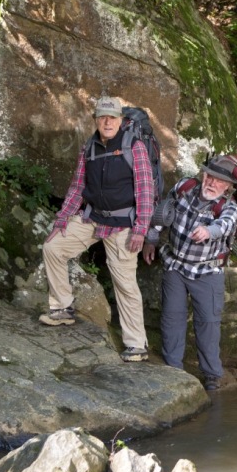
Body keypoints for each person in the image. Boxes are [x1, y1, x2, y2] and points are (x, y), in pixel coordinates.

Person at [40, 96, 155, 363]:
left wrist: (140, 229)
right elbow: (78, 187)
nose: (107, 122)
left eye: (112, 117)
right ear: (95, 119)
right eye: (102, 117)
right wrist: (62, 221)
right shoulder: (89, 147)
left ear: (121, 120)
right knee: (53, 248)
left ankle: (136, 345)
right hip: (92, 219)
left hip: (123, 225)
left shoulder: (134, 147)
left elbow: (146, 191)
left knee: (125, 284)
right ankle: (62, 308)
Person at [143, 156, 237, 391]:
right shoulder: (185, 187)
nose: (211, 183)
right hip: (175, 265)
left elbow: (224, 226)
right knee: (171, 317)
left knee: (207, 322)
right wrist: (151, 240)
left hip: (207, 271)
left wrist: (208, 230)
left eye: (219, 181)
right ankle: (173, 368)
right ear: (202, 175)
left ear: (227, 186)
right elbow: (162, 213)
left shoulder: (228, 208)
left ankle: (212, 375)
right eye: (209, 176)